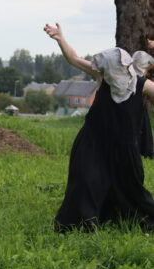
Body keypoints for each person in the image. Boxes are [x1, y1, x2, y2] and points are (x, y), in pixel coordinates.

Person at [44, 23, 154, 232]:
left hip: (124, 146)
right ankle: (82, 223)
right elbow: (74, 59)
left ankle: (126, 218)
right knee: (87, 180)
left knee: (131, 190)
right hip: (94, 141)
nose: (100, 69)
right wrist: (60, 39)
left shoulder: (142, 85)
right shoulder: (103, 77)